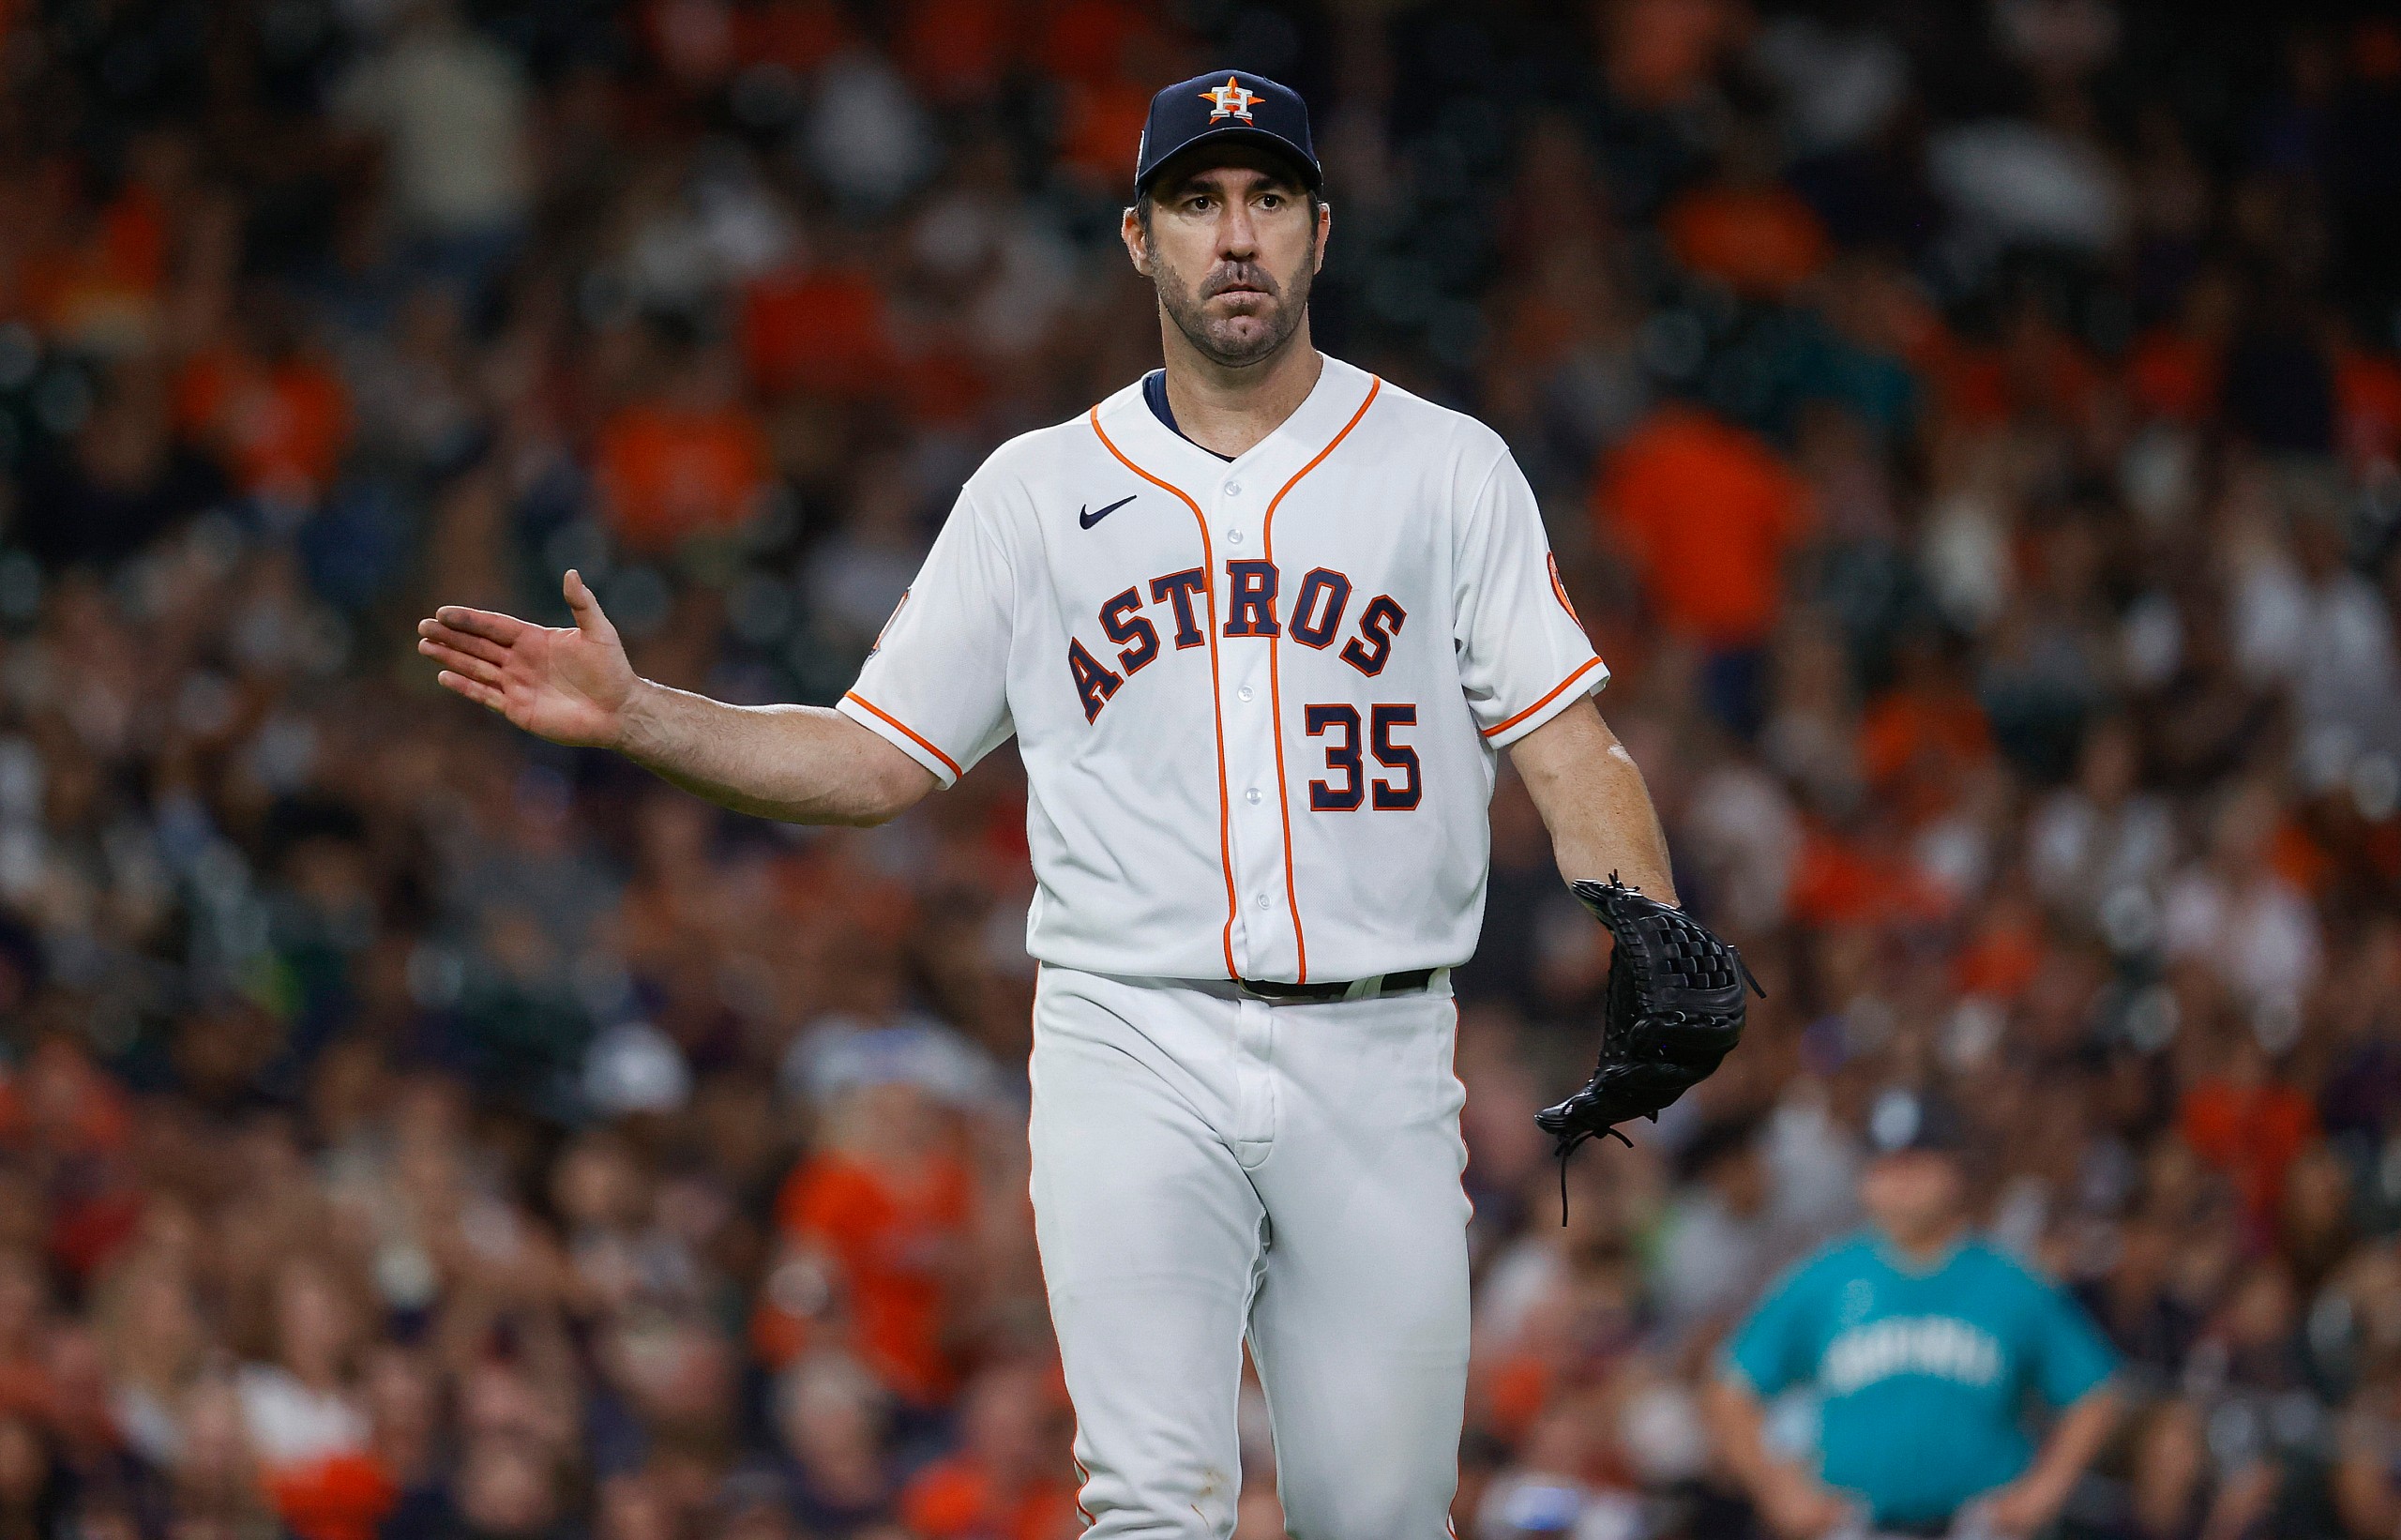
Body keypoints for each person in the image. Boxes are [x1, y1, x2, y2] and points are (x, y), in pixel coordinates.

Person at [417, 68, 1685, 1537]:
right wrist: (642, 713)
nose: (1235, 236)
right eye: (1197, 202)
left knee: (1384, 1513)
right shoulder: (1035, 491)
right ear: (1138, 238)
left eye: (1268, 199)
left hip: (1381, 1042)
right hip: (1128, 1033)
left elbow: (1567, 745)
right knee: (1150, 1503)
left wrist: (1655, 940)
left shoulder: (1448, 468)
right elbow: (873, 758)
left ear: (1321, 232)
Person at [1707, 1090, 2122, 1538]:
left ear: (1956, 1170)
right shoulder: (1826, 1278)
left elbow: (2095, 1393)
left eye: (1917, 1163)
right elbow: (1731, 1388)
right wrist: (1779, 1491)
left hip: (1978, 1525)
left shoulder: (2008, 1281)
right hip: (1857, 1524)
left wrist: (2044, 1490)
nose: (1901, 1182)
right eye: (1885, 1165)